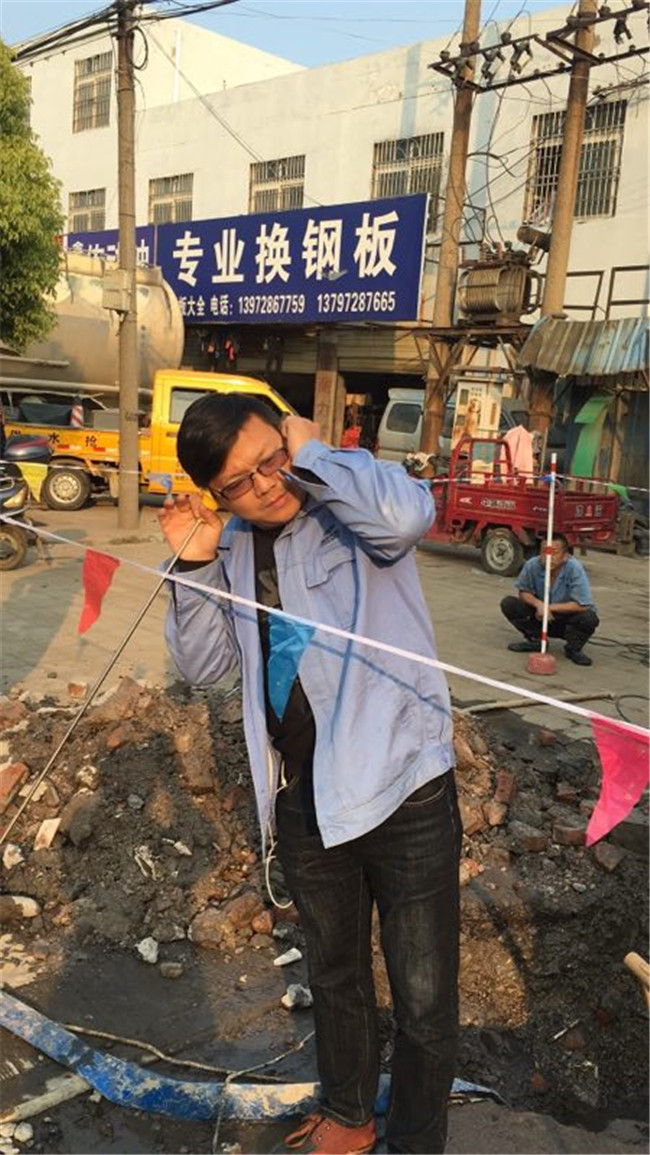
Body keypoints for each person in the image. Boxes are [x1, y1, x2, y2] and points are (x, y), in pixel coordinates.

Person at [159, 395, 461, 1155]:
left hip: (403, 784)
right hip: (303, 795)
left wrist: (317, 453)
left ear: (289, 439)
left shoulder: (350, 512)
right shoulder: (233, 548)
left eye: (272, 459)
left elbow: (409, 518)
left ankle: (417, 1141)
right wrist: (193, 563)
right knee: (334, 974)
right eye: (238, 482)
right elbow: (204, 668)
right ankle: (350, 1115)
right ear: (214, 493)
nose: (266, 484)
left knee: (423, 994)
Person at [501, 533, 599, 666]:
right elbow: (523, 592)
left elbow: (583, 604)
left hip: (566, 619)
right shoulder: (532, 565)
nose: (548, 557)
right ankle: (535, 640)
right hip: (540, 617)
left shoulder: (574, 568)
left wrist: (548, 607)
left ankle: (573, 649)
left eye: (554, 552)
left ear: (565, 556)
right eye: (544, 552)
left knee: (589, 618)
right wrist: (539, 605)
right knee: (510, 604)